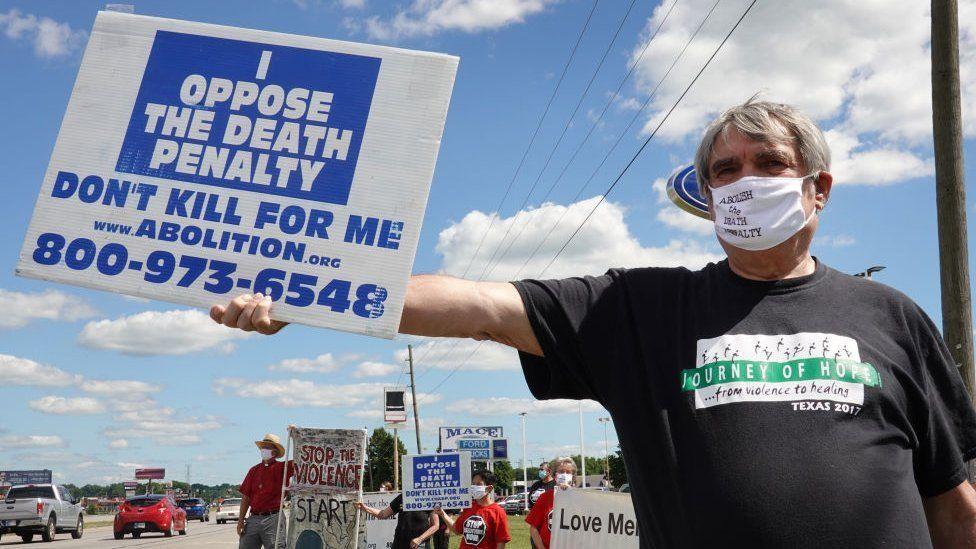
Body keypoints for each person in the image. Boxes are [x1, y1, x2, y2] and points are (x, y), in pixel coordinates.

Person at [210, 99, 976, 547]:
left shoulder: (893, 318)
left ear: (818, 189)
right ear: (706, 196)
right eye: (723, 170)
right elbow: (481, 307)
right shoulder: (641, 309)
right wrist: (309, 293)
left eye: (767, 163)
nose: (743, 181)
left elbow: (950, 496)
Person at [238, 433, 294, 549]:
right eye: (263, 447)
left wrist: (295, 436)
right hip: (254, 518)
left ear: (274, 452)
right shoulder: (254, 470)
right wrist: (240, 520)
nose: (264, 450)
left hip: (273, 518)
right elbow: (246, 498)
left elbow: (301, 461)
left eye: (268, 447)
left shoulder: (282, 468)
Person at [435, 470, 509, 549]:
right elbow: (456, 529)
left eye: (478, 484)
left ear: (489, 488)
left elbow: (501, 543)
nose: (474, 487)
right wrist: (442, 514)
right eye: (473, 484)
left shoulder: (498, 512)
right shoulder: (469, 507)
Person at [356, 493, 440, 549]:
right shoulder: (402, 497)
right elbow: (383, 514)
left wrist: (420, 539)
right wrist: (364, 508)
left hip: (419, 545)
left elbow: (436, 525)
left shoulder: (429, 498)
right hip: (399, 543)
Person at [525, 457, 576, 549]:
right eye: (561, 471)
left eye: (568, 472)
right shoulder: (545, 497)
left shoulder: (580, 498)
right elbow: (533, 529)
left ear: (573, 475)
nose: (564, 475)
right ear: (555, 474)